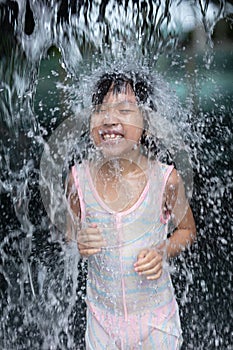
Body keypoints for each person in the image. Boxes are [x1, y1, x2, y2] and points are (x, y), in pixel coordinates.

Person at [66, 71, 196, 349]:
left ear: (147, 123)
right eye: (100, 110)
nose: (109, 119)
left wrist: (162, 250)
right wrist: (79, 239)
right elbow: (69, 229)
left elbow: (187, 230)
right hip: (102, 322)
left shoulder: (166, 180)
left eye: (124, 110)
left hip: (155, 320)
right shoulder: (79, 180)